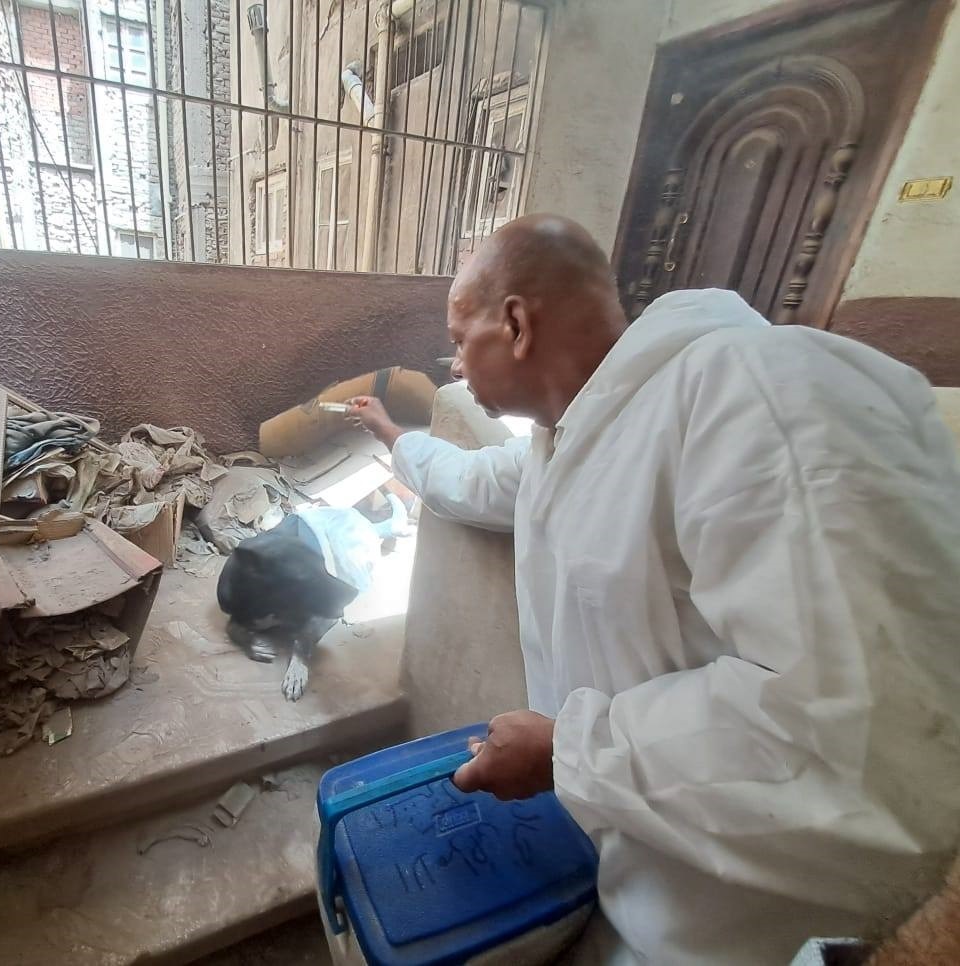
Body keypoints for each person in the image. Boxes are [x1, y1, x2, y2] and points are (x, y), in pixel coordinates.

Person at [347, 214, 960, 964]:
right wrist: (393, 434)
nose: (454, 365)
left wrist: (569, 751)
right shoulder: (565, 438)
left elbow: (858, 731)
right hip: (656, 883)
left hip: (766, 927)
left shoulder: (761, 394)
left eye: (459, 338)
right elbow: (468, 479)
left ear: (515, 325)